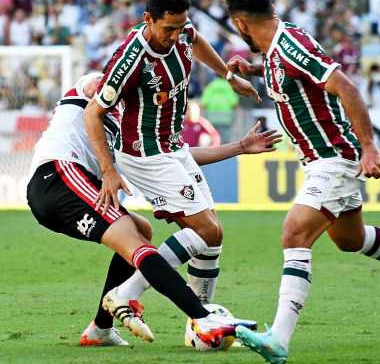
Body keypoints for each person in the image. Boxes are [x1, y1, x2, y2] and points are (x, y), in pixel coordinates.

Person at [223, 0, 380, 364]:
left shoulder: (290, 45)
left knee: (294, 232)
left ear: (239, 23)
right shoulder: (279, 48)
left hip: (334, 157)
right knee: (350, 239)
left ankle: (278, 338)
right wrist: (253, 68)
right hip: (319, 159)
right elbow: (294, 74)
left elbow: (345, 86)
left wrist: (369, 147)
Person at [27, 73, 279, 346]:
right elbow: (97, 85)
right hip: (60, 174)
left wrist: (240, 147)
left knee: (141, 229)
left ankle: (101, 328)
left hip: (61, 193)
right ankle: (201, 317)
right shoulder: (100, 85)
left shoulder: (128, 125)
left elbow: (175, 156)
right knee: (137, 245)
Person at [84, 0, 261, 341]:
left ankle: (200, 319)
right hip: (144, 154)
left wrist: (228, 75)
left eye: (180, 26)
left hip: (174, 147)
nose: (176, 35)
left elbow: (196, 40)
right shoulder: (129, 58)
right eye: (168, 29)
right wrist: (108, 171)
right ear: (148, 20)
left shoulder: (182, 31)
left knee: (214, 236)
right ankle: (126, 294)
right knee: (205, 231)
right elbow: (93, 113)